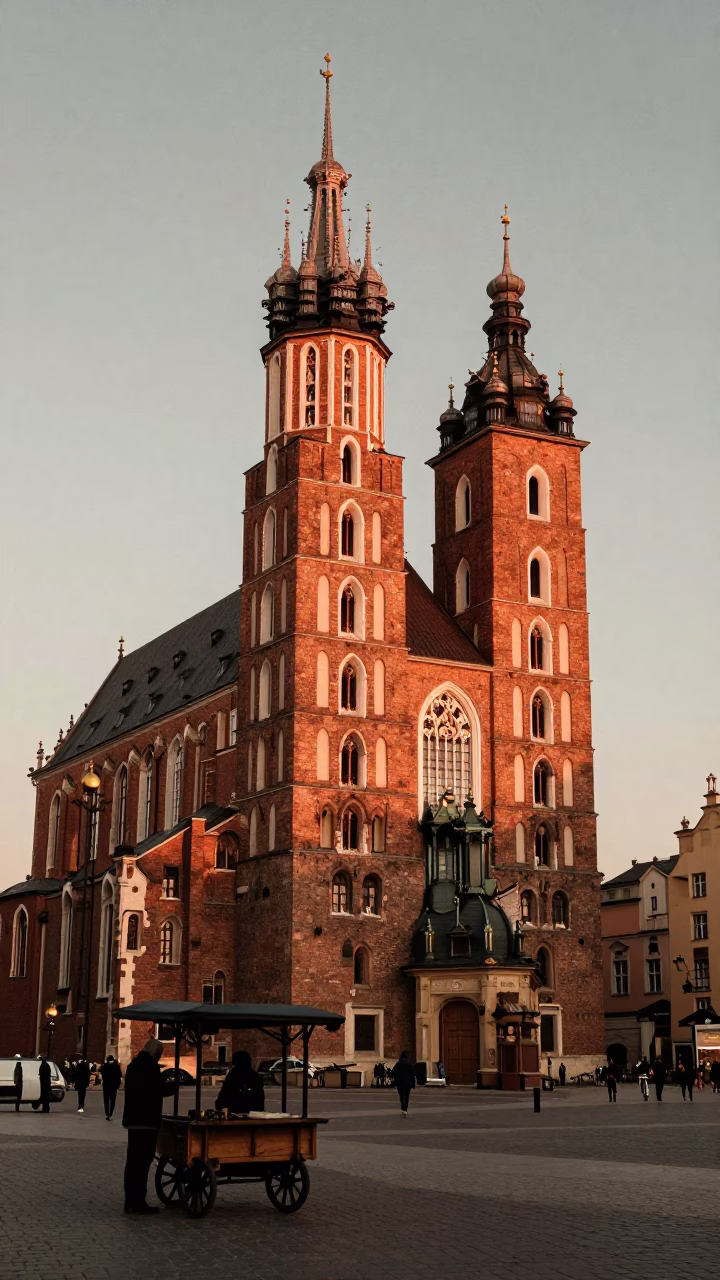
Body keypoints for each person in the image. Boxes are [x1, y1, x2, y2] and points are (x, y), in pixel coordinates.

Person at [122, 1036, 175, 1214]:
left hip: (133, 1120)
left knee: (133, 1162)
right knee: (143, 1162)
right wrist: (173, 1087)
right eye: (159, 1054)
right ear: (155, 1053)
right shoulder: (150, 1067)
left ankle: (130, 1200)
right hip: (147, 1120)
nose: (159, 1057)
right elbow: (156, 1090)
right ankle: (138, 1201)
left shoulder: (133, 1065)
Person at [391, 1050, 416, 1118]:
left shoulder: (398, 1063)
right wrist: (413, 1084)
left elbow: (393, 1072)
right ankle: (405, 1109)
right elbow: (412, 1074)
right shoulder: (409, 1063)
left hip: (399, 1082)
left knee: (401, 1096)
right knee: (407, 1096)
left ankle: (403, 1107)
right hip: (408, 1083)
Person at [101, 1055, 123, 1121]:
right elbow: (119, 1075)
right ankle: (111, 1113)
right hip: (114, 1085)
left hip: (106, 1085)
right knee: (113, 1100)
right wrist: (118, 1084)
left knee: (106, 1100)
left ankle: (107, 1113)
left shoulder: (104, 1066)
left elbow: (102, 1074)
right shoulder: (116, 1066)